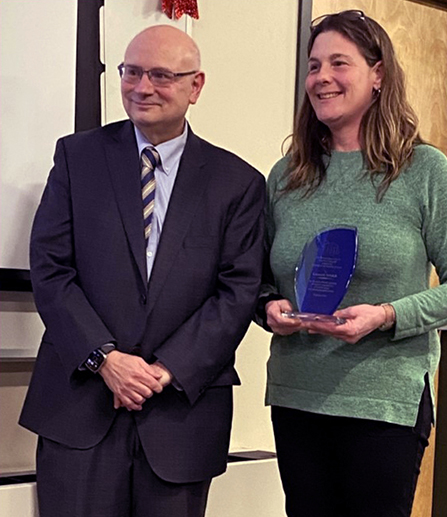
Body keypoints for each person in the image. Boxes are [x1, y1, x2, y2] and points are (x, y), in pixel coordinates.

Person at [20, 25, 265, 517]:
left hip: (181, 416)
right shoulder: (77, 157)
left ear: (196, 86)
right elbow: (50, 270)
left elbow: (238, 292)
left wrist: (164, 370)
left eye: (160, 75)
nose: (141, 87)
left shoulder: (237, 182)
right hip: (80, 408)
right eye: (131, 72)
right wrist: (106, 360)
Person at [257, 10, 447, 517]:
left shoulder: (423, 169)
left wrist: (385, 315)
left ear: (378, 74)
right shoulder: (287, 175)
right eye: (314, 65)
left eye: (339, 62)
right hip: (297, 396)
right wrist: (271, 308)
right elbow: (261, 280)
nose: (321, 78)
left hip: (384, 403)